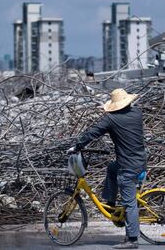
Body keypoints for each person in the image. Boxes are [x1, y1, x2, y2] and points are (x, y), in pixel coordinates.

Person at [67, 88, 147, 249]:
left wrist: (77, 146)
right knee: (111, 168)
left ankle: (132, 240)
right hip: (139, 161)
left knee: (129, 202)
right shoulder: (137, 113)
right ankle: (111, 203)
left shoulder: (111, 119)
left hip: (128, 166)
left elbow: (93, 132)